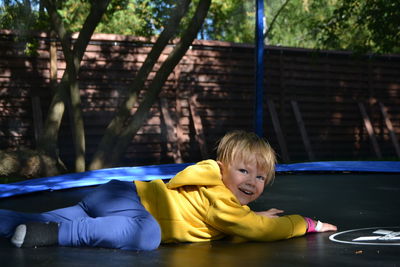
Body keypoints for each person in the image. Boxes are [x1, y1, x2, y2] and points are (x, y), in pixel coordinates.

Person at [0, 130, 337, 250]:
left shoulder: (218, 195)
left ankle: (12, 221)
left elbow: (239, 223)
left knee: (39, 215)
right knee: (147, 235)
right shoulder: (221, 199)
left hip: (113, 196)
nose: (251, 181)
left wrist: (252, 214)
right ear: (222, 169)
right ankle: (54, 234)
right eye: (243, 171)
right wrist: (305, 224)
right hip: (135, 209)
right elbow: (255, 230)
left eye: (260, 178)